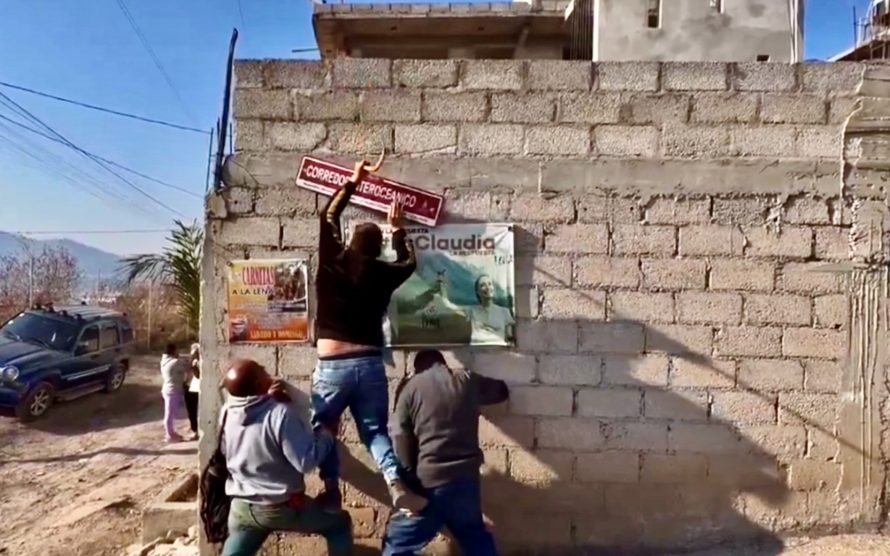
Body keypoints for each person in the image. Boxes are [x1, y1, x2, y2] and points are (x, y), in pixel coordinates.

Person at [312, 157, 426, 513]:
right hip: (370, 365)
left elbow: (327, 217)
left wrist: (353, 181)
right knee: (374, 433)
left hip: (332, 366)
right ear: (378, 250)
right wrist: (398, 229)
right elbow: (409, 263)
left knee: (324, 429)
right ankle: (395, 482)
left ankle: (330, 489)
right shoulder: (383, 274)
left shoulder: (333, 261)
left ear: (350, 242)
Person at [220, 359, 353, 556]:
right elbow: (305, 462)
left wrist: (269, 399)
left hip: (241, 507)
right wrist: (326, 435)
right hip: (278, 508)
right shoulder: (280, 413)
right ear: (259, 385)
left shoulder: (227, 411)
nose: (269, 373)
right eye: (263, 371)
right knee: (340, 524)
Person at [382, 349, 509, 556]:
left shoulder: (410, 388)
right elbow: (501, 391)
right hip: (467, 482)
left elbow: (400, 439)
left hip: (429, 484)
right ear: (444, 364)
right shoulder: (466, 380)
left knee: (398, 545)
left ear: (417, 369)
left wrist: (410, 484)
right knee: (475, 538)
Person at [160, 343, 186, 443]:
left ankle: (171, 433)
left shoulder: (165, 361)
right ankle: (169, 435)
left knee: (170, 413)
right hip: (172, 390)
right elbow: (187, 367)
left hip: (168, 389)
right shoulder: (175, 363)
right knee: (169, 414)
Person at [184, 342, 201, 441]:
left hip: (196, 388)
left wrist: (195, 365)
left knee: (196, 410)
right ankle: (194, 429)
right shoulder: (190, 360)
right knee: (191, 411)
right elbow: (186, 372)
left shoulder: (199, 361)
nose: (193, 352)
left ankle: (197, 430)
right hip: (189, 386)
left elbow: (198, 375)